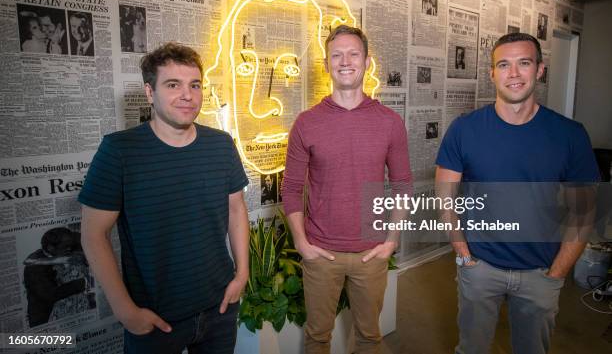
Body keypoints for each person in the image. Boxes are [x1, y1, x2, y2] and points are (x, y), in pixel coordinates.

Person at [79, 42, 250, 354]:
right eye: (173, 84)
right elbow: (93, 234)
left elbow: (236, 210)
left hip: (219, 308)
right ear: (149, 92)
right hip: (155, 320)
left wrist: (242, 275)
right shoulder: (119, 151)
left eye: (194, 85)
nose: (187, 95)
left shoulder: (222, 145)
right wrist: (125, 311)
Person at [435, 32, 599, 354]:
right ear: (492, 73)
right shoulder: (464, 130)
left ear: (539, 69)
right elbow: (446, 199)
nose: (513, 74)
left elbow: (584, 213)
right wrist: (464, 257)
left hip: (541, 273)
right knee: (471, 349)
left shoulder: (570, 136)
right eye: (504, 65)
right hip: (479, 269)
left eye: (523, 63)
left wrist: (556, 275)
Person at [282, 25, 412, 353]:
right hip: (321, 253)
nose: (345, 61)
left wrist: (391, 241)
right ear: (326, 64)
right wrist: (301, 242)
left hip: (372, 253)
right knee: (317, 337)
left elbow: (402, 185)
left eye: (353, 53)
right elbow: (292, 187)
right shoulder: (307, 122)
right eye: (336, 55)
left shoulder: (389, 122)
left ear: (367, 62)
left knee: (369, 338)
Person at [23, 227, 88, 327]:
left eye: (71, 245)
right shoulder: (34, 269)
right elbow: (50, 295)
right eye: (65, 246)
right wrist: (84, 282)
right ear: (50, 248)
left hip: (76, 310)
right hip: (47, 318)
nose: (70, 248)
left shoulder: (68, 245)